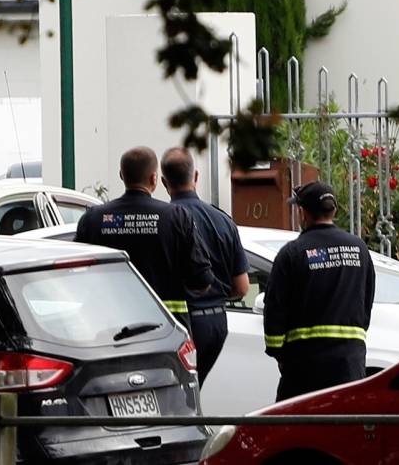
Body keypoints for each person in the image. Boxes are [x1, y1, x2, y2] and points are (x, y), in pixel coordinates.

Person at [76, 146, 215, 329]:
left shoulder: (93, 219)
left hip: (106, 329)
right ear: (154, 178)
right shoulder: (176, 217)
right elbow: (201, 280)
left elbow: (75, 276)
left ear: (121, 175)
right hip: (167, 331)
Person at [263, 181, 375, 401]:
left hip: (304, 364)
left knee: (295, 426)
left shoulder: (292, 253)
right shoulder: (359, 248)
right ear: (333, 210)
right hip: (349, 362)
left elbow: (275, 307)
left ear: (303, 212)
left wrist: (277, 352)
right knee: (343, 427)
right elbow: (366, 299)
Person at [160, 147, 249, 385]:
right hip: (215, 324)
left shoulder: (162, 221)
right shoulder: (223, 220)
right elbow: (241, 287)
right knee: (194, 390)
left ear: (162, 181)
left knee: (176, 394)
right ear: (196, 176)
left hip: (179, 323)